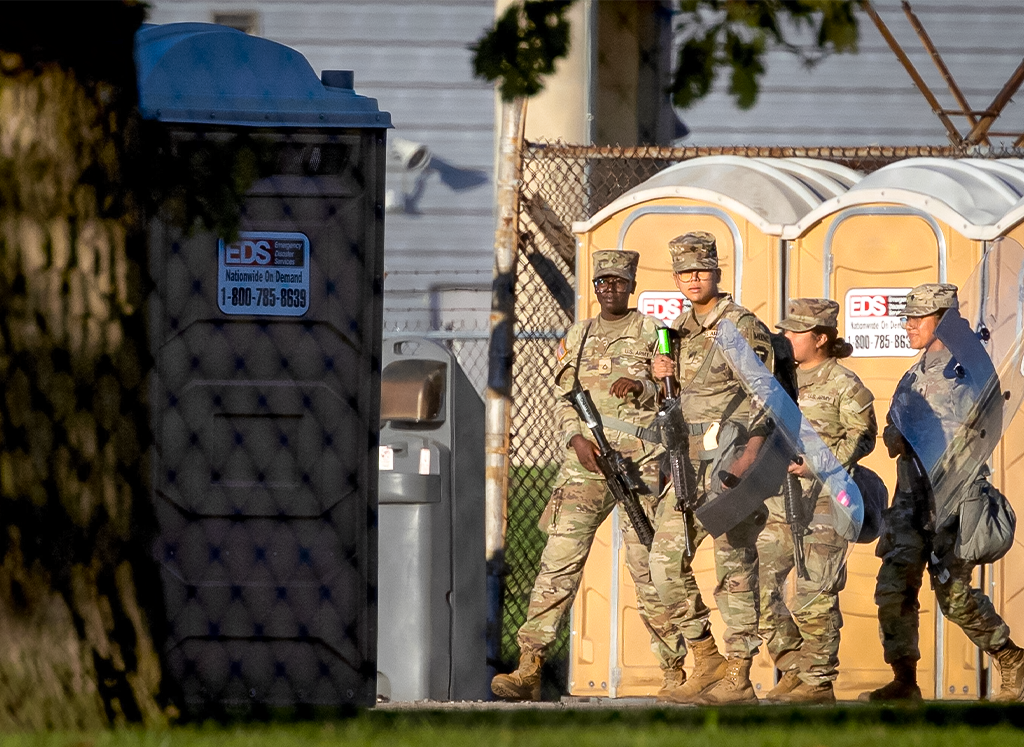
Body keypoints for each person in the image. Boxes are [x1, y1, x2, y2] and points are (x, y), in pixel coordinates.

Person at [491, 250, 699, 702]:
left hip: (639, 464)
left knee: (649, 568)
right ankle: (529, 664)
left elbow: (673, 388)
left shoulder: (656, 332)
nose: (609, 289)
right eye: (602, 282)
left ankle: (675, 670)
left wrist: (643, 387)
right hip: (585, 466)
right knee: (558, 563)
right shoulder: (579, 335)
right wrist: (576, 441)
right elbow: (564, 398)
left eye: (618, 282)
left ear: (631, 285)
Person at [861, 283, 1024, 702]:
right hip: (909, 499)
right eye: (908, 316)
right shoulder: (914, 371)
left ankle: (1012, 661)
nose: (908, 325)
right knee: (893, 591)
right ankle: (905, 680)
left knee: (954, 596)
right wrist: (895, 434)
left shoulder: (968, 366)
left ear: (943, 321)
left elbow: (988, 415)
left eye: (918, 317)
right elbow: (897, 427)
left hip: (951, 498)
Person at [650, 231, 775, 705]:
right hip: (686, 459)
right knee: (663, 563)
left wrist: (748, 456)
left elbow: (766, 394)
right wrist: (659, 377)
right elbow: (670, 400)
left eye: (700, 270)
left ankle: (739, 673)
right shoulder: (676, 329)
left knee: (735, 564)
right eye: (683, 272)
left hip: (729, 457)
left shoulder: (738, 325)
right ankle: (706, 658)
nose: (692, 279)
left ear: (717, 272)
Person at [757, 298, 877, 704]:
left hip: (827, 498)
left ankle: (818, 681)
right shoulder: (779, 381)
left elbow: (862, 437)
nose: (786, 338)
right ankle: (794, 667)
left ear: (821, 338)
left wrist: (818, 465)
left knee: (813, 589)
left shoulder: (844, 383)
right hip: (779, 499)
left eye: (795, 332)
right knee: (752, 582)